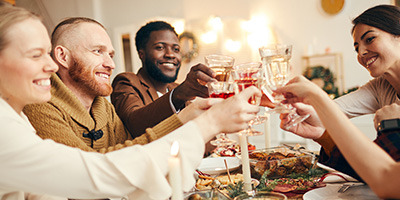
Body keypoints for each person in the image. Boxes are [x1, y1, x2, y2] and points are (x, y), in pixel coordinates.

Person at [0, 2, 261, 199]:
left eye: (110, 53)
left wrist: (187, 116)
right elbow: (97, 173)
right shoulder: (17, 120)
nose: (50, 65)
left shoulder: (96, 106)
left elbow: (128, 149)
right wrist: (206, 124)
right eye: (36, 55)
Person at [23, 17, 189, 153]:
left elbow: (131, 151)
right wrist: (185, 120)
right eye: (98, 51)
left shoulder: (104, 107)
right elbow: (88, 171)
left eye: (110, 54)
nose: (111, 64)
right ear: (63, 56)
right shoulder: (39, 104)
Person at [279, 4, 400, 180]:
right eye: (357, 48)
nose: (362, 52)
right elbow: (330, 110)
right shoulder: (380, 87)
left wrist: (391, 126)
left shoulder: (389, 115)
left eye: (370, 39)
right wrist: (288, 100)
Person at [275, 75, 400, 199]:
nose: (361, 54)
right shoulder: (383, 86)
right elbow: (377, 171)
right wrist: (323, 135)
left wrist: (317, 97)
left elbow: (386, 178)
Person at [111, 21, 215, 138]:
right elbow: (134, 125)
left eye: (176, 49)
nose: (170, 55)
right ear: (142, 54)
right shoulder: (126, 82)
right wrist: (177, 96)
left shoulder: (176, 87)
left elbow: (202, 135)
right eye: (160, 47)